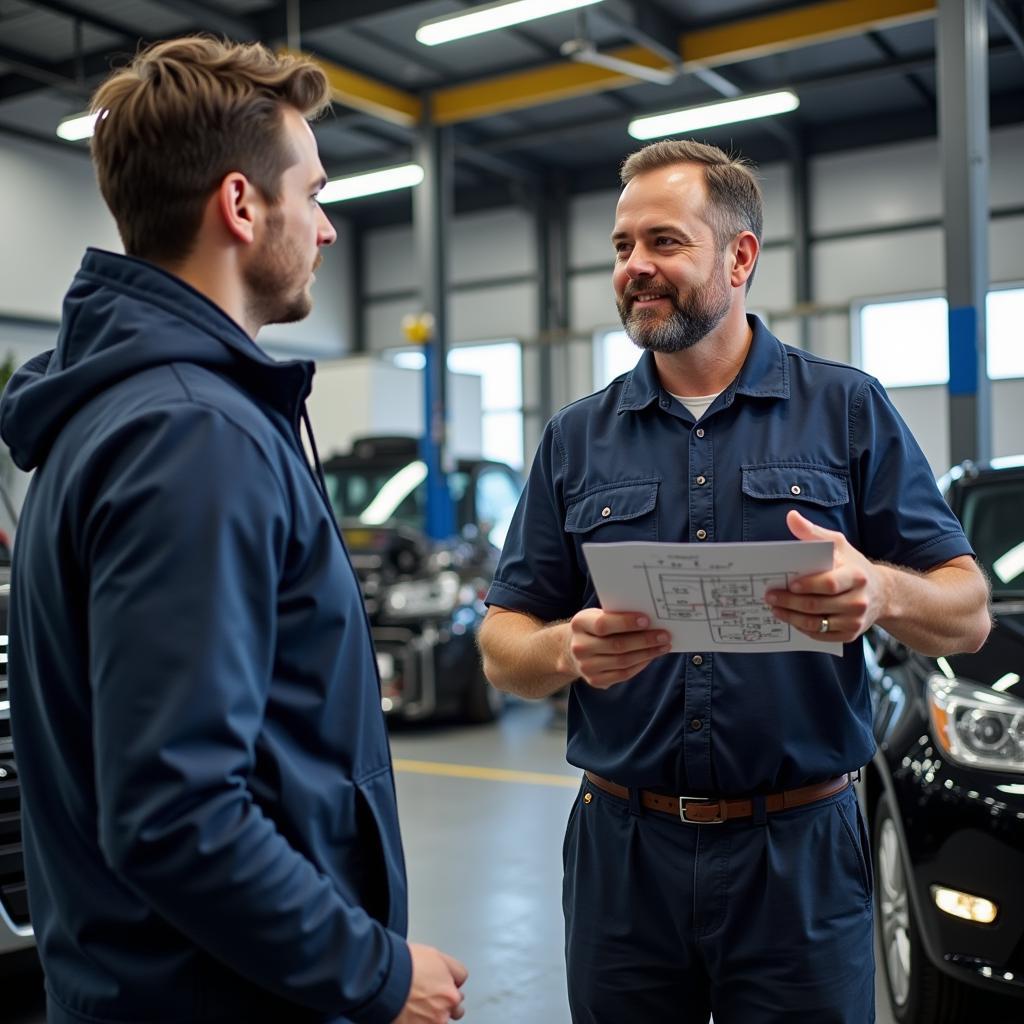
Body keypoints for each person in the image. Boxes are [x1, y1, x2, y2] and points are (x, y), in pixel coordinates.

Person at [0, 37, 466, 1024]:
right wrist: (377, 971)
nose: (329, 227)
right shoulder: (190, 437)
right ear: (243, 206)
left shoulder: (128, 414)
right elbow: (177, 814)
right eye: (316, 191)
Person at [478, 139, 991, 1024]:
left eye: (665, 243)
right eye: (622, 246)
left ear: (740, 256)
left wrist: (883, 589)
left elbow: (970, 611)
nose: (635, 267)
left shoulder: (848, 411)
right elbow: (500, 646)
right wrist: (566, 647)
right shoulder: (574, 441)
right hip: (622, 858)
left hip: (798, 856)